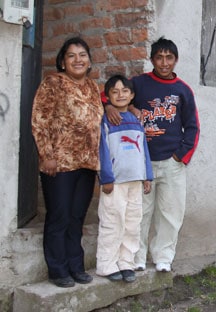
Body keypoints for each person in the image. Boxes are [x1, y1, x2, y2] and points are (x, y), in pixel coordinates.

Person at [104, 37, 200, 273]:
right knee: (140, 212)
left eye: (169, 57)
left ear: (175, 60)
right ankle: (136, 256)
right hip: (141, 162)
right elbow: (110, 94)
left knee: (170, 212)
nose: (164, 62)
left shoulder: (183, 90)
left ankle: (163, 257)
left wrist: (181, 156)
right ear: (152, 59)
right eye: (159, 57)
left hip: (171, 162)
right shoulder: (139, 83)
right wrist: (108, 106)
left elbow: (193, 126)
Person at [31, 37, 104, 287]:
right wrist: (46, 155)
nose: (77, 60)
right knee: (59, 216)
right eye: (71, 55)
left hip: (86, 163)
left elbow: (103, 114)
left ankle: (76, 266)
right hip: (59, 163)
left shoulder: (93, 88)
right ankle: (58, 270)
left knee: (76, 218)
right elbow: (40, 119)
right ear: (62, 61)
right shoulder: (53, 83)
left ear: (90, 61)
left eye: (82, 55)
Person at [96, 74, 153, 283]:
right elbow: (102, 149)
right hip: (115, 182)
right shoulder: (106, 120)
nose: (120, 95)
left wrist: (147, 175)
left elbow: (143, 149)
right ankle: (106, 264)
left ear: (132, 95)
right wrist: (106, 178)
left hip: (135, 182)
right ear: (108, 96)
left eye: (125, 91)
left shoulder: (136, 120)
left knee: (132, 222)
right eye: (115, 91)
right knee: (112, 221)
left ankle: (126, 262)